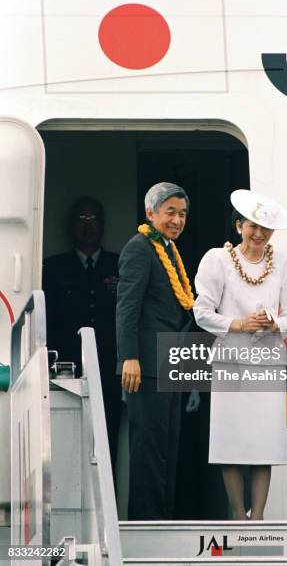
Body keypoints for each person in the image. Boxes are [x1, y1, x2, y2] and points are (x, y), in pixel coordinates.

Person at [193, 189, 287, 520]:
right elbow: (201, 312)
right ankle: (239, 515)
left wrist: (273, 324)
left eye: (265, 229)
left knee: (263, 443)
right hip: (230, 362)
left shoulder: (285, 262)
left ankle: (259, 518)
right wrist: (238, 323)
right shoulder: (218, 259)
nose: (258, 234)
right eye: (252, 226)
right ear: (239, 225)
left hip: (267, 362)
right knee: (231, 443)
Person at [116, 182, 193, 520]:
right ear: (151, 214)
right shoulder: (139, 248)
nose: (177, 220)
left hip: (171, 361)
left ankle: (166, 518)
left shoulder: (169, 249)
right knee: (148, 448)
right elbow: (127, 307)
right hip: (145, 364)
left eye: (182, 213)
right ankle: (145, 524)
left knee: (168, 447)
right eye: (170, 212)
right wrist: (128, 357)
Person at [43, 197, 122, 471]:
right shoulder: (53, 268)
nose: (87, 226)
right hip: (66, 368)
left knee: (107, 440)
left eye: (93, 219)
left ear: (103, 226)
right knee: (66, 438)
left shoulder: (119, 265)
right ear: (69, 226)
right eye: (81, 219)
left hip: (110, 369)